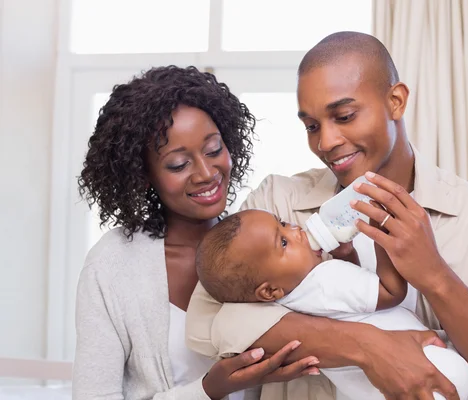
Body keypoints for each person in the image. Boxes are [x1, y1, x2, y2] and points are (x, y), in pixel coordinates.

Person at [186, 32, 468, 400]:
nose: (325, 142)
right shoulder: (277, 204)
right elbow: (209, 327)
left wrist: (436, 277)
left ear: (395, 101)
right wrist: (368, 347)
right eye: (312, 126)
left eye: (344, 116)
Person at [73, 65, 321, 400]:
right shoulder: (112, 266)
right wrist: (208, 390)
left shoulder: (264, 247)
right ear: (143, 174)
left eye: (214, 149)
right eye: (178, 164)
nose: (206, 173)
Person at [196, 208, 468, 400]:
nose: (295, 230)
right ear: (269, 290)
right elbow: (390, 293)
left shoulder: (284, 308)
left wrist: (347, 256)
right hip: (435, 376)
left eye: (282, 222)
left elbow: (348, 306)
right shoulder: (323, 277)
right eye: (283, 242)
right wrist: (382, 237)